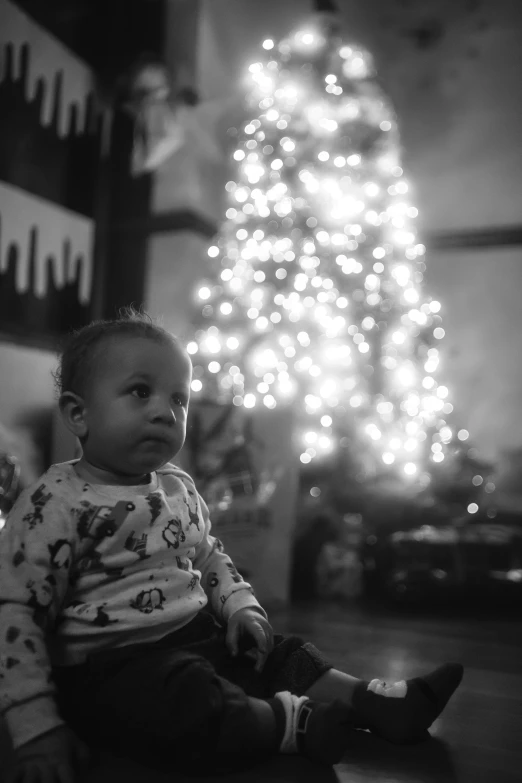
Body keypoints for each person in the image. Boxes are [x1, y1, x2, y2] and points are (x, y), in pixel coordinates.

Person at [0, 310, 463, 783]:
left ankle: (375, 702)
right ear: (78, 413)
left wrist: (240, 607)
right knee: (186, 698)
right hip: (111, 671)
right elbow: (15, 618)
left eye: (178, 399)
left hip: (194, 635)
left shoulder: (177, 487)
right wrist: (36, 728)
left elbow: (208, 555)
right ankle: (288, 725)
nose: (165, 412)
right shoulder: (50, 506)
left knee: (279, 654)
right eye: (141, 392)